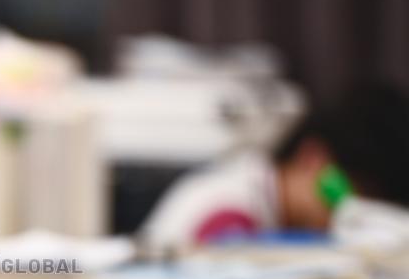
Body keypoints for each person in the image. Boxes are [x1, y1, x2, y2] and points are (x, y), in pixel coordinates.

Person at [141, 84, 409, 251]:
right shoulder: (231, 211)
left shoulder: (265, 205)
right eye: (356, 195)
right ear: (313, 159)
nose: (351, 216)